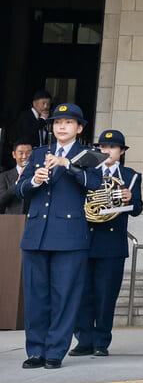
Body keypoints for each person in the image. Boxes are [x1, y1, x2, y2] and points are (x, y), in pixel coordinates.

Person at [15, 102, 102, 368]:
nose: (61, 126)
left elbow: (95, 184)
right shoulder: (39, 152)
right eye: (57, 122)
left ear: (79, 128)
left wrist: (68, 164)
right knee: (36, 297)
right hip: (37, 235)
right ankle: (35, 350)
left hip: (69, 237)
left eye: (68, 122)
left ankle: (54, 351)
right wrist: (35, 180)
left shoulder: (88, 154)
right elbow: (20, 189)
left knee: (64, 296)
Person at [73, 129, 142, 357]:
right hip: (85, 240)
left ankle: (101, 341)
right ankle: (84, 340)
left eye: (112, 147)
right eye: (102, 147)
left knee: (106, 295)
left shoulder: (130, 176)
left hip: (112, 243)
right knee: (83, 294)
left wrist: (130, 199)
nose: (107, 151)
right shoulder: (87, 173)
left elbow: (137, 209)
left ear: (121, 151)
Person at [3, 89, 52, 168]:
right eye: (43, 103)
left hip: (40, 155)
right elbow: (28, 133)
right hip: (26, 155)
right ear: (35, 103)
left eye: (48, 104)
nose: (46, 107)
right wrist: (42, 120)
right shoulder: (26, 116)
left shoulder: (46, 119)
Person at [0, 140, 33, 214]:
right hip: (12, 218)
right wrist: (16, 184)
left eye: (28, 153)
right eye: (21, 153)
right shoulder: (4, 176)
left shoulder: (37, 174)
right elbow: (1, 199)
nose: (24, 156)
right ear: (14, 154)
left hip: (33, 217)